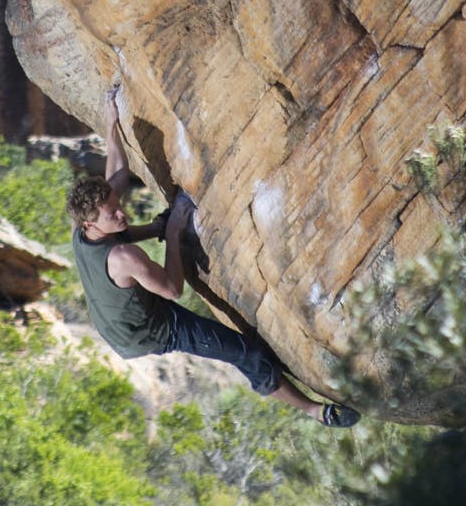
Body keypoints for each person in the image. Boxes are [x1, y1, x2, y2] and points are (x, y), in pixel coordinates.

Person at [66, 88, 360, 428]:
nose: (120, 214)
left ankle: (161, 226)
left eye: (116, 206)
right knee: (244, 352)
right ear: (90, 223)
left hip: (119, 320)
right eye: (111, 213)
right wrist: (173, 231)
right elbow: (173, 289)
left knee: (135, 224)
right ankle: (316, 412)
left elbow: (116, 176)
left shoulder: (83, 232)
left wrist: (111, 122)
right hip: (151, 331)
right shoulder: (122, 256)